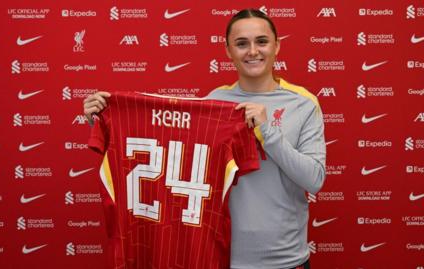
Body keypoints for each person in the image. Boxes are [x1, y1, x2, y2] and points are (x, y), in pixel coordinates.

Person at [83, 8, 325, 269]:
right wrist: (108, 119)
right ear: (228, 51)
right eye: (242, 43)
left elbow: (314, 180)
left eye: (262, 41)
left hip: (285, 259)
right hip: (220, 256)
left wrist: (268, 132)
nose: (253, 51)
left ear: (277, 46)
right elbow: (171, 156)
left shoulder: (304, 104)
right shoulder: (214, 104)